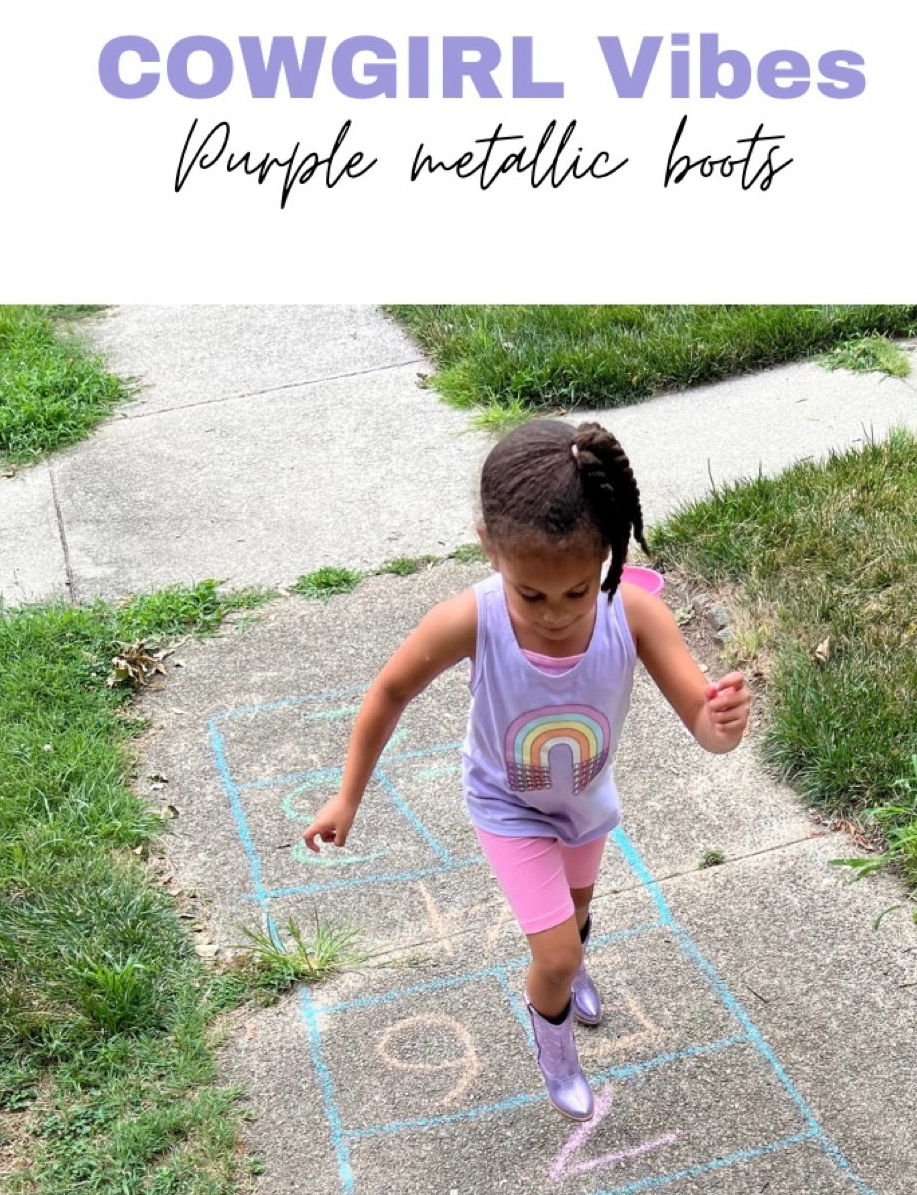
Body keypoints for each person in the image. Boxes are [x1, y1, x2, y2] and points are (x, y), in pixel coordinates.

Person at [301, 418, 750, 1121]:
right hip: (507, 806)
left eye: (577, 591)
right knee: (556, 955)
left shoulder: (633, 613)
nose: (555, 614)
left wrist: (720, 724)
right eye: (530, 594)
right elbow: (389, 691)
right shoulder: (471, 620)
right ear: (489, 548)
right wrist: (347, 796)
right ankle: (556, 1051)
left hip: (585, 800)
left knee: (575, 918)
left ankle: (567, 974)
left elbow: (702, 722)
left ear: (607, 555)